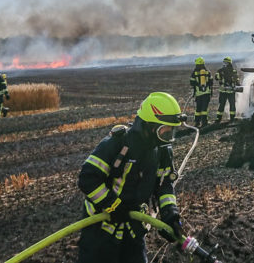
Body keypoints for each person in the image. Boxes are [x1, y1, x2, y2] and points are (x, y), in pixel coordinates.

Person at [77, 92, 185, 263]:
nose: (168, 137)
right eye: (165, 130)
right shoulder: (117, 144)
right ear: (149, 126)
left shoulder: (162, 151)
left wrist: (170, 214)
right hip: (100, 231)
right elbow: (88, 178)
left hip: (133, 229)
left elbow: (164, 186)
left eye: (172, 131)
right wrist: (113, 206)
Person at [214, 57, 240, 123]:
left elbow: (216, 78)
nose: (224, 64)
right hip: (231, 91)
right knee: (232, 105)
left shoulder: (220, 70)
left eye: (225, 62)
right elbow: (237, 80)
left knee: (222, 105)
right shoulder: (233, 71)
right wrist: (238, 85)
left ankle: (218, 119)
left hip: (223, 91)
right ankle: (232, 119)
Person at [190, 57, 213, 127]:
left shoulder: (194, 72)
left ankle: (197, 122)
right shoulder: (207, 71)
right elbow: (211, 82)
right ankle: (204, 123)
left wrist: (197, 86)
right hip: (206, 93)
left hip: (198, 94)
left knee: (198, 109)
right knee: (204, 109)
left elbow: (191, 82)